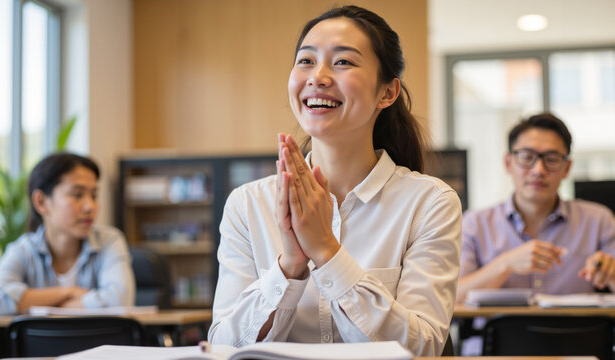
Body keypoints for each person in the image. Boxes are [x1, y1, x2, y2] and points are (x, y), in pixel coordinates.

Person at [208, 5, 462, 356]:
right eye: (306, 61)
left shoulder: (430, 203)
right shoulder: (246, 204)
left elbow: (420, 350)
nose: (318, 76)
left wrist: (327, 251)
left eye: (343, 62)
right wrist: (290, 266)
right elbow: (222, 349)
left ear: (387, 93)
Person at [457, 112, 615, 303]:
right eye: (527, 157)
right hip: (496, 333)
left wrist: (610, 274)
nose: (539, 170)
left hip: (578, 333)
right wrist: (505, 264)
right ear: (508, 163)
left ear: (567, 168)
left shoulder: (599, 220)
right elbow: (450, 301)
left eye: (552, 158)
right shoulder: (475, 224)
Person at [0, 152, 135, 316]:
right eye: (77, 195)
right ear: (41, 202)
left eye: (94, 195)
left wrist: (37, 304)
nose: (90, 207)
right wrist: (69, 292)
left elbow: (119, 300)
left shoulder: (109, 241)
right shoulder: (23, 250)